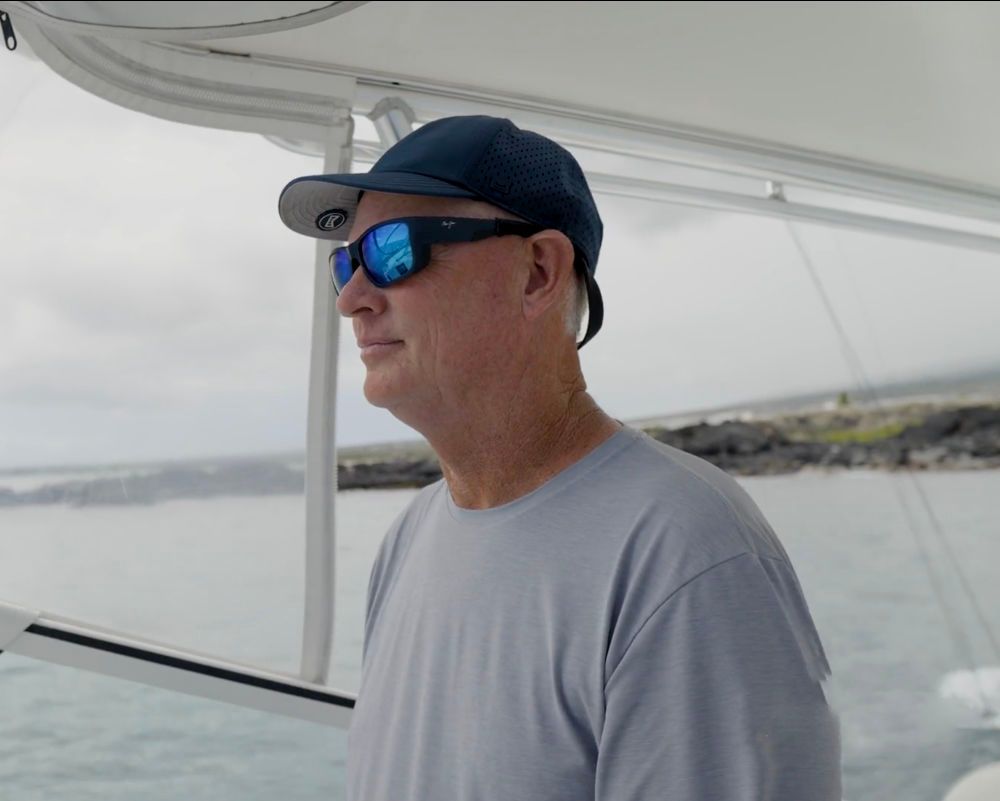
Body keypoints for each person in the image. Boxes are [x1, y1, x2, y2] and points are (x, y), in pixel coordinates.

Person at [279, 115, 841, 801]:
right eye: (347, 260)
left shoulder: (686, 552)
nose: (351, 297)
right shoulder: (411, 535)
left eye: (395, 251)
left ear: (538, 271)